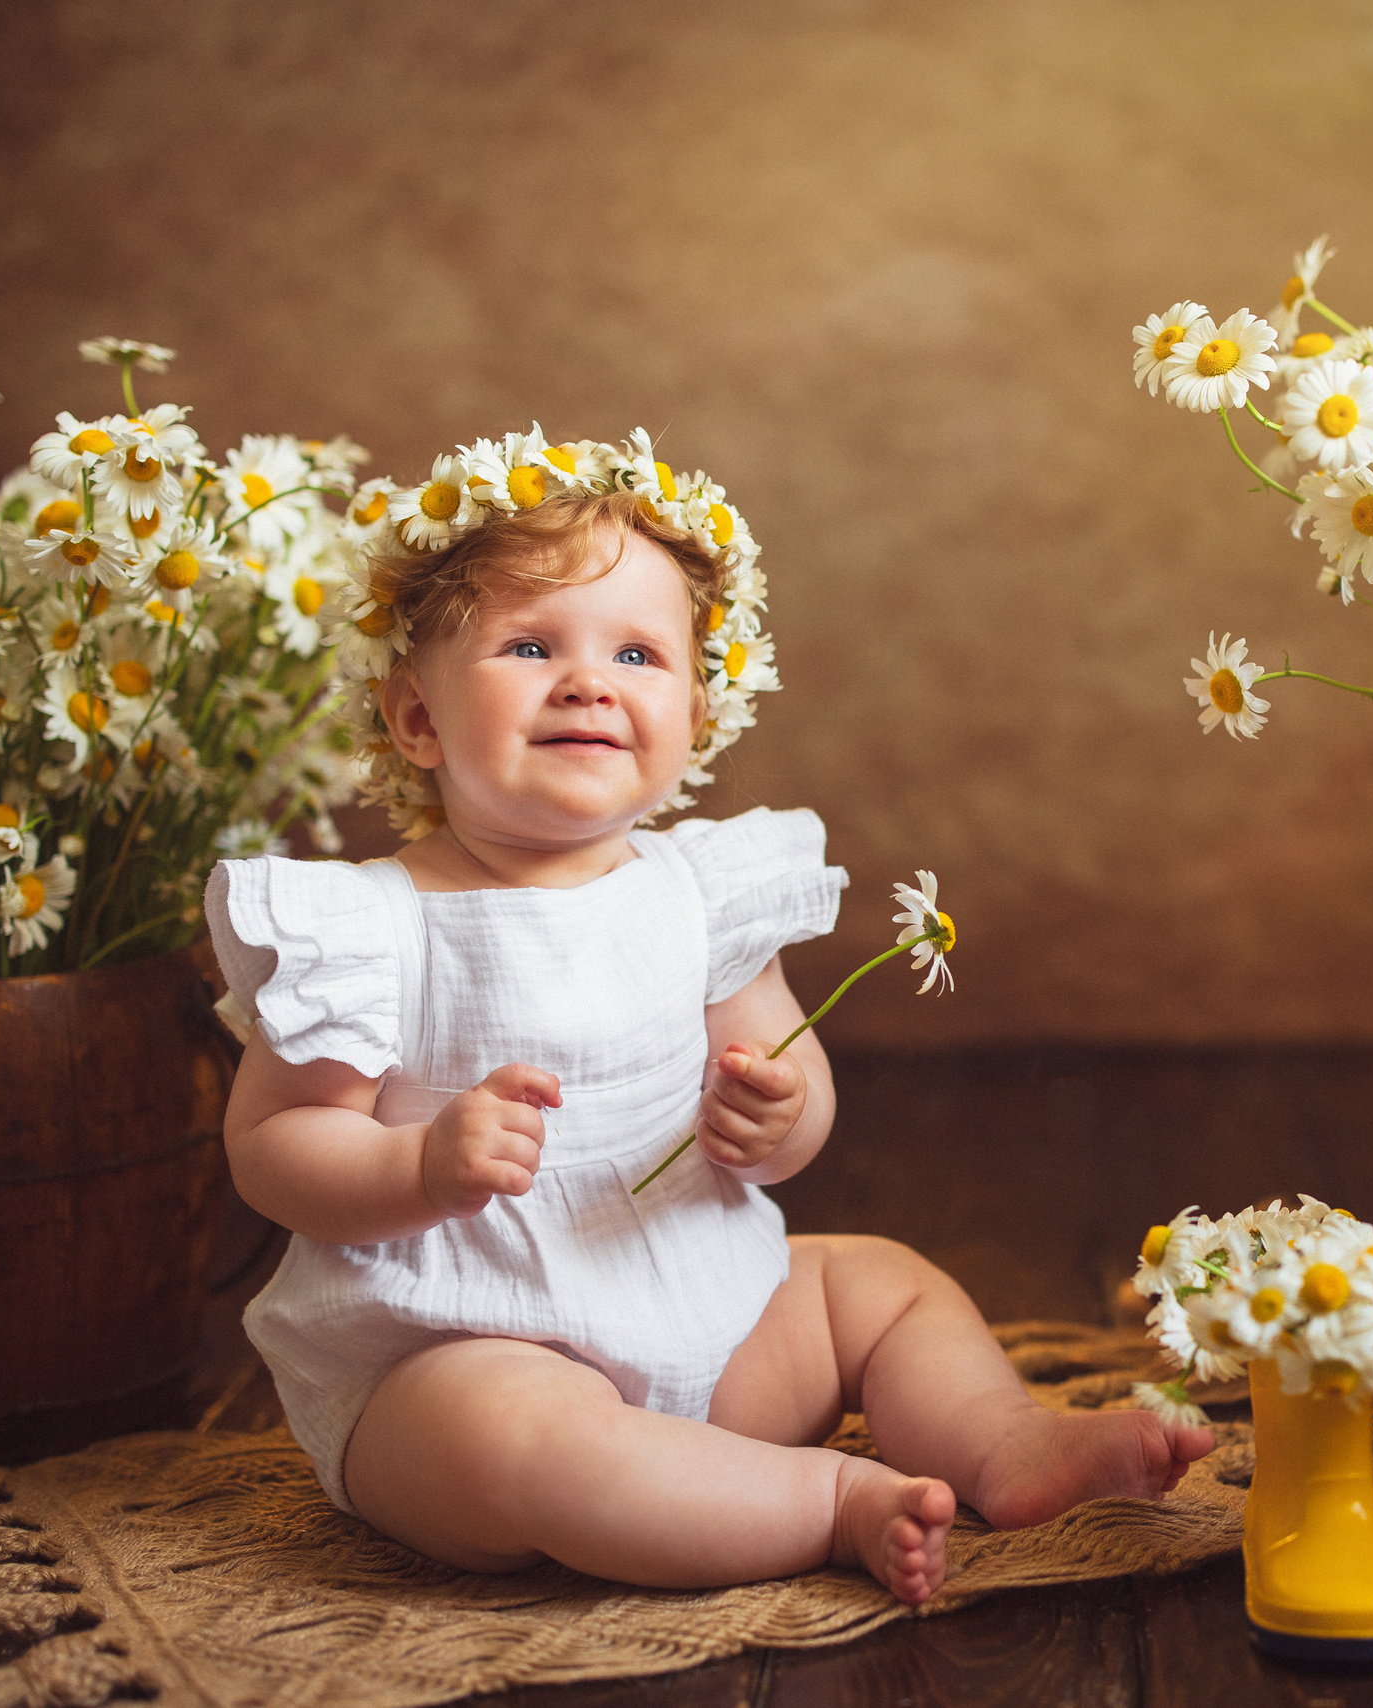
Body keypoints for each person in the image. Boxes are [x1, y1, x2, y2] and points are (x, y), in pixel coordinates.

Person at [206, 451, 1209, 1603]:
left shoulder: (700, 892)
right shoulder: (367, 927)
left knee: (880, 1284)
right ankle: (825, 1503)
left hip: (704, 1315)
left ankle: (1002, 1442)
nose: (588, 684)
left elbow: (788, 1088)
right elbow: (273, 1144)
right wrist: (419, 1164)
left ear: (692, 714)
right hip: (458, 1348)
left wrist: (777, 1113)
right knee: (515, 1435)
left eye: (636, 654)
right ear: (417, 718)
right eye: (531, 647)